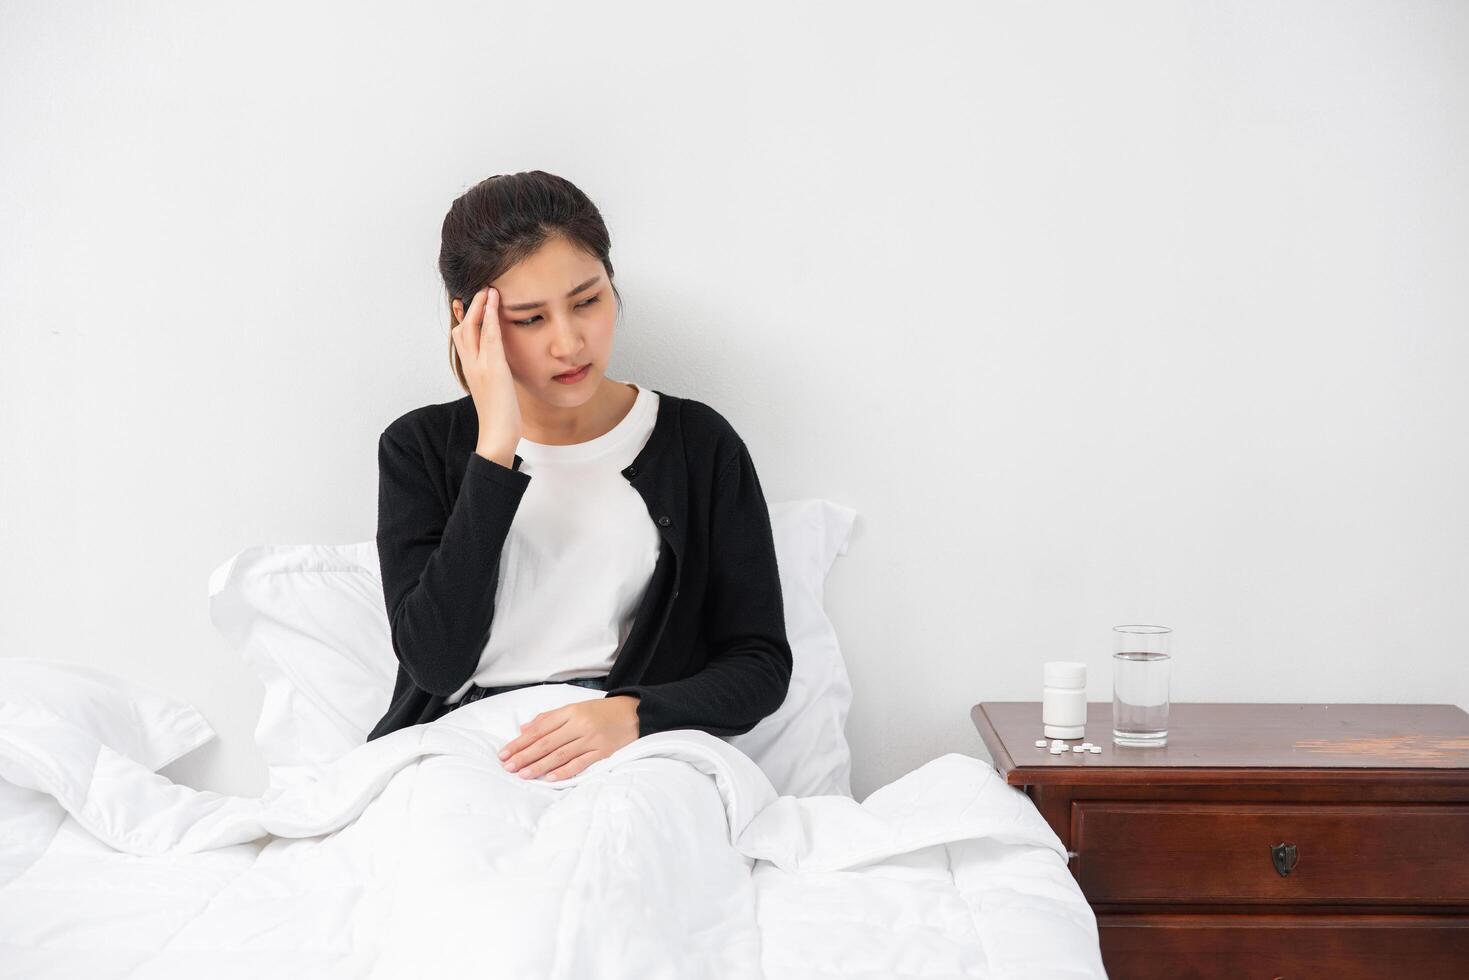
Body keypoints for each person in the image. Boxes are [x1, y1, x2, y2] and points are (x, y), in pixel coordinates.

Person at [365, 171, 793, 786]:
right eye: (531, 319)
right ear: (470, 321)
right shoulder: (420, 449)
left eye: (588, 301)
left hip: (633, 746)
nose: (569, 342)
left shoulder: (697, 443)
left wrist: (631, 715)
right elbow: (434, 663)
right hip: (463, 745)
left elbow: (759, 664)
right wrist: (495, 451)